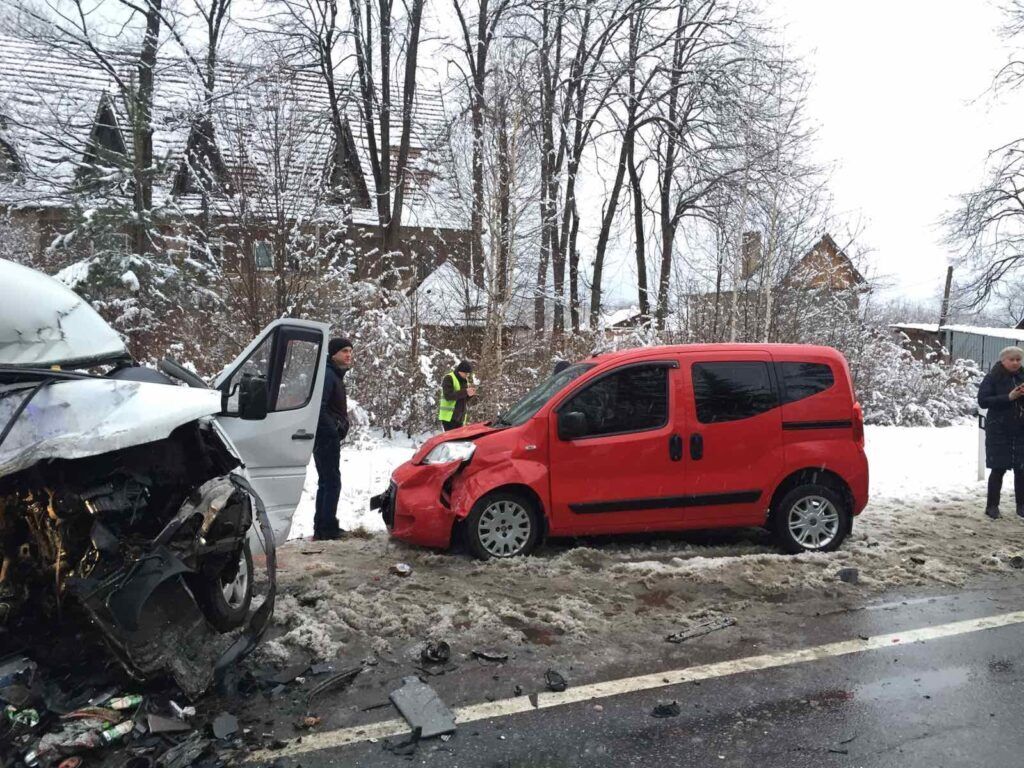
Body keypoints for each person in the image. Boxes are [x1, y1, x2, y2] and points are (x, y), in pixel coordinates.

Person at [313, 337, 352, 540]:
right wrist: (334, 429)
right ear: (334, 353)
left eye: (350, 351)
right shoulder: (329, 375)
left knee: (326, 481)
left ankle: (322, 526)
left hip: (326, 437)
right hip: (325, 438)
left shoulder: (333, 374)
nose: (348, 355)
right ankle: (326, 529)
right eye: (345, 351)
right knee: (332, 482)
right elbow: (319, 408)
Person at [978, 345, 1024, 519]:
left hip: (1020, 429)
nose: (1015, 363)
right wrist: (1008, 397)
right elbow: (983, 401)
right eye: (1011, 359)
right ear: (1003, 360)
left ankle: (1021, 505)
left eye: (1018, 360)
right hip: (999, 429)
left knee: (1022, 469)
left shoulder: (1023, 375)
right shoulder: (992, 377)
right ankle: (992, 506)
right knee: (998, 469)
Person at [438, 360, 477, 431]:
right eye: (466, 373)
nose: (467, 375)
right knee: (451, 441)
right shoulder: (449, 378)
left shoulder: (464, 381)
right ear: (460, 371)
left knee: (458, 442)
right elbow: (448, 396)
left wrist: (470, 395)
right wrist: (465, 392)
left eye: (468, 374)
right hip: (449, 418)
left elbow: (462, 399)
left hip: (460, 419)